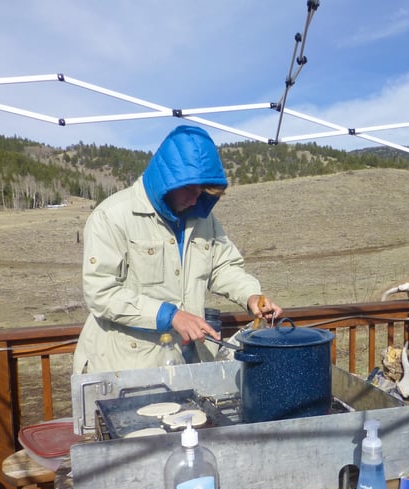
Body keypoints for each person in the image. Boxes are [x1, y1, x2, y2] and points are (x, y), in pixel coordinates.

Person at [73, 124, 282, 375]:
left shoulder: (204, 219)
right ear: (166, 180)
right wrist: (169, 315)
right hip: (125, 367)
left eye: (202, 192)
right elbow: (101, 292)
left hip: (183, 363)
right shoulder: (112, 216)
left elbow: (223, 267)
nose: (195, 200)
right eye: (189, 189)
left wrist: (250, 296)